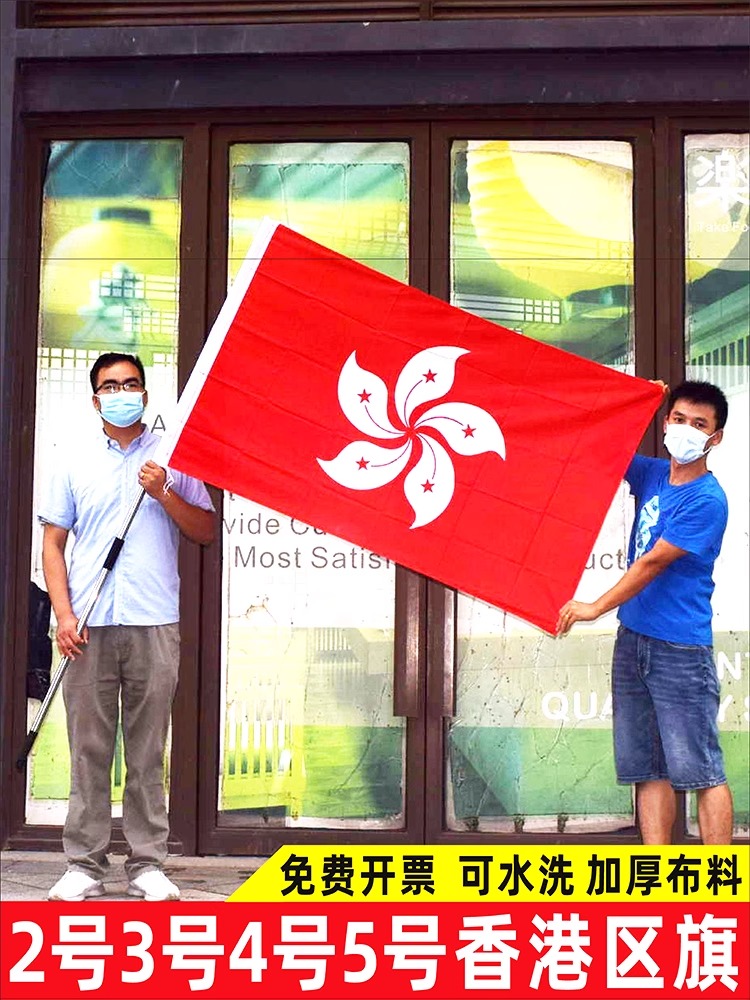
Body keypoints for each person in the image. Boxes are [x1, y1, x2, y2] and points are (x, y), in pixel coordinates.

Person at [40, 352, 216, 901]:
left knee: (146, 750)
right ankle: (83, 865)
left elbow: (205, 530)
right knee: (88, 747)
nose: (123, 391)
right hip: (86, 626)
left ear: (145, 392)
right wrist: (63, 615)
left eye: (132, 383)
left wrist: (164, 491)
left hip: (153, 621)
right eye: (111, 385)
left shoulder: (174, 457)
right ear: (95, 399)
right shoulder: (70, 458)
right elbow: (52, 544)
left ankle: (146, 863)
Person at [557, 380, 732, 845]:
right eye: (678, 419)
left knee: (701, 770)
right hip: (633, 639)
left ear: (715, 438)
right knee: (647, 767)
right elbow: (599, 445)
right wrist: (634, 398)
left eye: (699, 425)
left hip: (679, 648)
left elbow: (652, 561)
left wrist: (594, 606)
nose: (686, 430)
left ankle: (722, 890)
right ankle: (658, 881)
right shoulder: (653, 474)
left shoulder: (707, 500)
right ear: (666, 421)